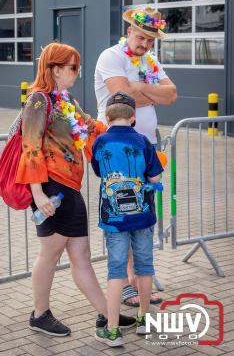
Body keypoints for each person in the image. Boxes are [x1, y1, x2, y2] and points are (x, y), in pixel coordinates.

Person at [15, 42, 136, 336]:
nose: (76, 73)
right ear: (54, 70)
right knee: (51, 253)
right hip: (52, 189)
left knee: (81, 254)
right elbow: (29, 147)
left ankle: (107, 315)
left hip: (69, 187)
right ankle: (40, 313)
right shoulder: (38, 101)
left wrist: (121, 131)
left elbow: (90, 126)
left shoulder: (64, 100)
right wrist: (38, 193)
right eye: (72, 68)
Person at [95, 6, 177, 307]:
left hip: (144, 148)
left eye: (150, 41)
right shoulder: (111, 57)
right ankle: (126, 283)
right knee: (123, 209)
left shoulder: (148, 61)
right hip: (116, 150)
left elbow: (172, 94)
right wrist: (149, 92)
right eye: (141, 37)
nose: (144, 45)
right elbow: (122, 98)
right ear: (129, 31)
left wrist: (139, 88)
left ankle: (137, 281)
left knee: (141, 213)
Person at [92, 91, 163, 347]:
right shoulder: (144, 141)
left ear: (108, 117)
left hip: (114, 220)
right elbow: (155, 178)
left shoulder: (100, 143)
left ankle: (112, 330)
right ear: (133, 118)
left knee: (116, 270)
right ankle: (144, 320)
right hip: (143, 218)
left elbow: (99, 171)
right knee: (144, 267)